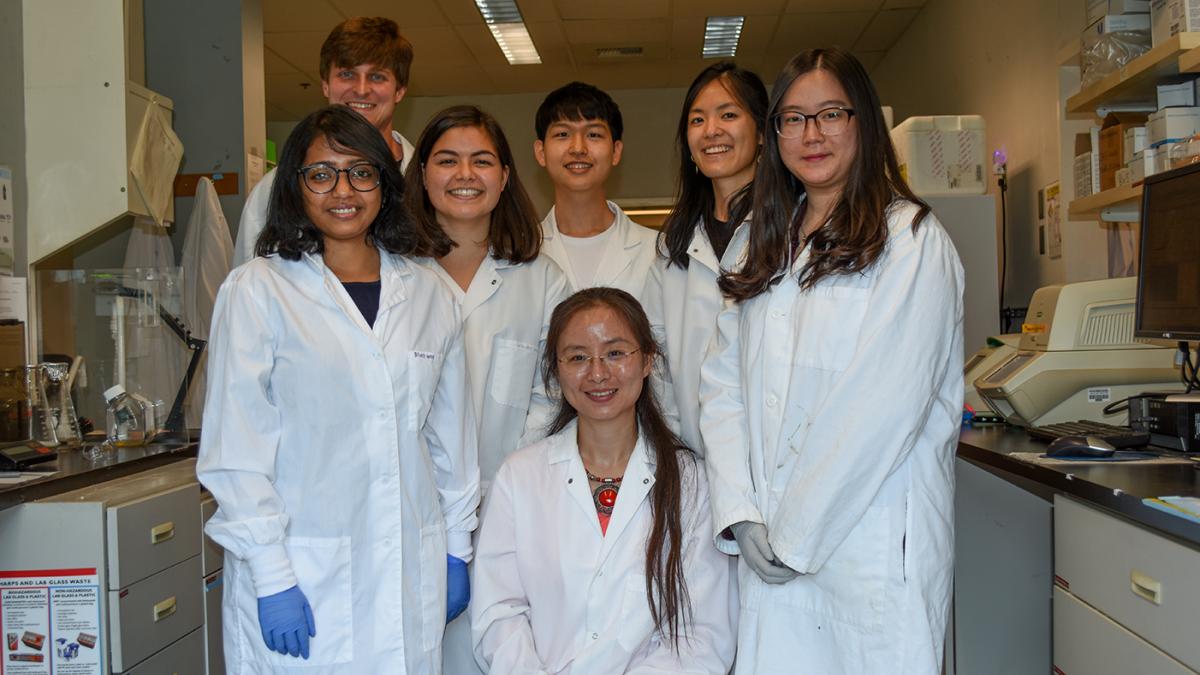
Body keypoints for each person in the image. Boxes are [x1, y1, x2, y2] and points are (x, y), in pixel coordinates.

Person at [700, 47, 965, 674]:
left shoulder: (912, 242)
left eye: (830, 114)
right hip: (767, 543)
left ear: (863, 123)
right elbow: (722, 387)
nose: (810, 134)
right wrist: (741, 512)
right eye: (792, 118)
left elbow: (881, 406)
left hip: (865, 548)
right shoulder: (756, 242)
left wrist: (794, 534)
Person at [198, 105, 478, 673]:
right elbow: (235, 451)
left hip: (408, 564)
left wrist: (455, 549)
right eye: (321, 174)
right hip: (301, 568)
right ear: (295, 188)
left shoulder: (430, 293)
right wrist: (272, 576)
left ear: (384, 182)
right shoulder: (257, 292)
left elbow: (452, 443)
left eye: (361, 172)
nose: (342, 190)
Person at [472, 287, 737, 674]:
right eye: (578, 357)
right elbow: (499, 613)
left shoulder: (691, 482)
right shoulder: (521, 476)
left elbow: (704, 633)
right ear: (556, 369)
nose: (598, 373)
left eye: (615, 353)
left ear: (647, 360)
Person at [405, 105, 570, 675]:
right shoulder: (393, 273)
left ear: (504, 176)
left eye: (481, 161)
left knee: (502, 653)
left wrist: (503, 488)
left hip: (509, 508)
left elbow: (552, 396)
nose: (465, 175)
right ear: (422, 174)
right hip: (410, 506)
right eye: (447, 161)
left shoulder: (541, 278)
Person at [643, 62, 767, 454]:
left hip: (777, 460)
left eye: (728, 114)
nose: (711, 130)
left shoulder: (794, 233)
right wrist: (674, 450)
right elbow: (657, 361)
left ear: (763, 133)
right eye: (698, 120)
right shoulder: (673, 246)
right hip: (694, 458)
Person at [233, 16, 416, 266]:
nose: (361, 89)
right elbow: (251, 284)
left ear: (400, 91)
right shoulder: (275, 188)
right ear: (326, 85)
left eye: (377, 77)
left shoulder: (428, 184)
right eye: (347, 74)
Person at [534, 82, 658, 301]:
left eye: (593, 135)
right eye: (563, 134)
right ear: (541, 152)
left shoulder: (658, 252)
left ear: (616, 151)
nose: (578, 148)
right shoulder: (518, 255)